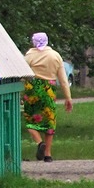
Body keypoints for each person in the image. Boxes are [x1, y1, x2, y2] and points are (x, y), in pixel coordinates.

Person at [23, 31, 74, 162]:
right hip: (48, 90)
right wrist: (68, 97)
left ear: (33, 41)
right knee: (49, 120)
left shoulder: (29, 55)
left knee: (30, 120)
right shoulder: (55, 56)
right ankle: (48, 154)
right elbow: (63, 80)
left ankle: (40, 143)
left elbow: (22, 74)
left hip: (32, 89)